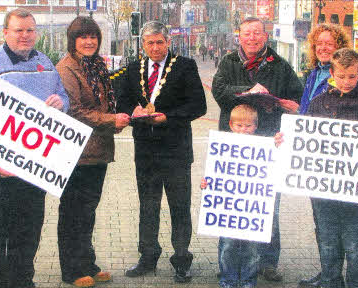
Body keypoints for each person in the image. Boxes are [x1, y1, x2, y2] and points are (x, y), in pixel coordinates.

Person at [0, 8, 69, 288]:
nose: (25, 36)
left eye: (29, 30)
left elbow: (62, 96)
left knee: (29, 227)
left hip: (33, 163)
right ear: (5, 32)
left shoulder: (45, 62)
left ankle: (23, 280)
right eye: (18, 30)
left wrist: (62, 103)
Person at [276, 48, 358, 288]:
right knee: (327, 239)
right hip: (322, 187)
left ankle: (356, 284)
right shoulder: (319, 102)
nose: (346, 82)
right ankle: (331, 282)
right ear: (331, 73)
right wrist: (285, 139)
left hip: (353, 187)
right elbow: (303, 134)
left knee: (353, 240)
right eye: (341, 76)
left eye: (352, 76)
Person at [211, 17, 302, 283]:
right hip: (235, 142)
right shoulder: (228, 62)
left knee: (267, 205)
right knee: (230, 204)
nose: (252, 38)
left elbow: (297, 97)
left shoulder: (280, 65)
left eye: (257, 34)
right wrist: (248, 90)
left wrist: (283, 103)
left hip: (267, 143)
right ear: (239, 36)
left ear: (266, 36)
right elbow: (219, 91)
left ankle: (268, 261)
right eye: (247, 34)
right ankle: (226, 262)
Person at [117, 21, 207, 283]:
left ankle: (181, 260)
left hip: (176, 149)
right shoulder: (133, 69)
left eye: (159, 42)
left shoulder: (185, 66)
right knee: (148, 206)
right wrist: (133, 111)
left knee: (179, 206)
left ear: (168, 42)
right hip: (146, 150)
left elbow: (198, 105)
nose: (155, 48)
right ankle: (147, 256)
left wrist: (169, 117)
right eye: (150, 43)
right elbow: (122, 100)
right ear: (143, 44)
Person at [55, 16, 130, 288]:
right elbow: (74, 110)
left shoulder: (96, 65)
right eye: (82, 37)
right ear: (72, 40)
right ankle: (72, 270)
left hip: (97, 150)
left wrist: (119, 118)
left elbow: (105, 103)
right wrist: (112, 120)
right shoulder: (66, 68)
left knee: (87, 211)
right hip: (76, 152)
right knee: (73, 211)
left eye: (93, 37)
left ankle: (88, 263)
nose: (89, 42)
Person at [297, 23, 351, 288]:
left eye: (329, 43)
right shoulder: (313, 74)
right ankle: (328, 271)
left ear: (339, 46)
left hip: (335, 161)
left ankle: (334, 277)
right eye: (319, 44)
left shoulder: (344, 77)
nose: (323, 48)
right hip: (313, 157)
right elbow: (305, 112)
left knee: (335, 223)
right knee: (321, 221)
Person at [200, 103, 266, 288]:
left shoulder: (263, 147)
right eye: (239, 125)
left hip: (252, 208)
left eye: (248, 126)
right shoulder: (222, 146)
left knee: (252, 247)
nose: (243, 130)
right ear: (230, 124)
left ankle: (248, 280)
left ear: (256, 126)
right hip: (228, 208)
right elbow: (213, 172)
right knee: (228, 245)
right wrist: (205, 183)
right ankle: (228, 279)